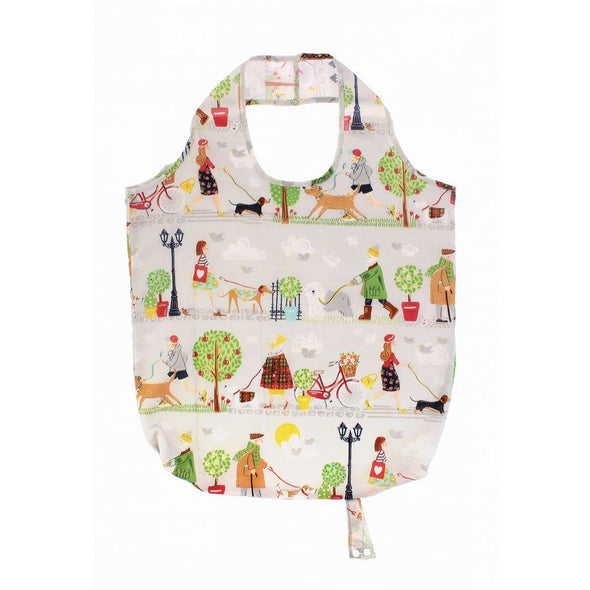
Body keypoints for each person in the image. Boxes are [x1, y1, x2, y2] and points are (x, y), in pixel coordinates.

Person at [349, 246, 398, 321]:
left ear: (375, 258)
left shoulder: (375, 268)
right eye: (367, 255)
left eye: (369, 257)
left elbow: (366, 275)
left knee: (380, 300)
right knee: (369, 300)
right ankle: (367, 315)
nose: (367, 258)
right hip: (372, 289)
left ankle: (393, 310)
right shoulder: (373, 267)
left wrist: (356, 280)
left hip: (375, 289)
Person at [365, 334, 406, 412]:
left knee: (388, 391)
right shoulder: (391, 354)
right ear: (391, 342)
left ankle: (399, 408)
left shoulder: (386, 354)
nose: (395, 341)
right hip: (391, 373)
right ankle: (399, 408)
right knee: (393, 391)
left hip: (385, 372)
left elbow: (385, 364)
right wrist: (407, 365)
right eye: (393, 340)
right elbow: (398, 364)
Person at [185, 138, 227, 216]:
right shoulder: (206, 159)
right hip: (208, 177)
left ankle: (219, 211)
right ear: (204, 147)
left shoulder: (200, 158)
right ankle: (219, 211)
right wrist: (223, 169)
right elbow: (214, 168)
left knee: (206, 194)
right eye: (207, 145)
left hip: (202, 176)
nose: (208, 146)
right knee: (212, 193)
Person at [260, 335, 293, 409]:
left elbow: (279, 366)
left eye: (272, 344)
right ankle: (270, 404)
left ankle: (285, 402)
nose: (270, 345)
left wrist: (275, 372)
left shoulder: (278, 355)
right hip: (273, 377)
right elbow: (269, 363)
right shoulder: (272, 354)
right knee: (271, 392)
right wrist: (265, 366)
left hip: (277, 378)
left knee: (280, 393)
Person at [233, 433, 270, 497]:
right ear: (255, 441)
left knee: (250, 485)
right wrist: (252, 468)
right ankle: (255, 498)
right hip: (246, 472)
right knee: (250, 485)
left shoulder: (253, 449)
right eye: (260, 439)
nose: (262, 441)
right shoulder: (252, 450)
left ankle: (256, 497)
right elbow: (251, 459)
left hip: (246, 471)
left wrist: (266, 465)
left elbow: (257, 458)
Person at [192, 240, 223, 315]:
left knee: (202, 293)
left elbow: (196, 266)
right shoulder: (202, 256)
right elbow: (208, 266)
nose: (207, 246)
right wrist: (216, 274)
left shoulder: (198, 256)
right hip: (205, 277)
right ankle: (186, 308)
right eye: (205, 245)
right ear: (202, 247)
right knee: (201, 293)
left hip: (200, 276)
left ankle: (214, 310)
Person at [425, 248, 456, 322]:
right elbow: (444, 276)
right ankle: (453, 316)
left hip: (442, 288)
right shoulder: (444, 266)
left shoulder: (447, 265)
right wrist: (446, 285)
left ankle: (451, 316)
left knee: (443, 302)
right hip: (442, 288)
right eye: (452, 256)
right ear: (448, 257)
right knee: (447, 302)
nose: (454, 257)